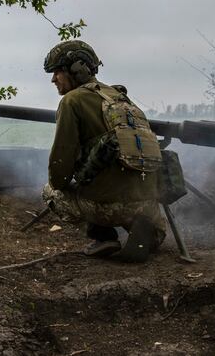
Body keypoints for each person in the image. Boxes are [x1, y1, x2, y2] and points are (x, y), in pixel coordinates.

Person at [41, 40, 166, 262]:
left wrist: (70, 180)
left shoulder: (71, 101)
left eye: (58, 72)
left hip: (107, 207)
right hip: (147, 202)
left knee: (51, 191)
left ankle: (103, 236)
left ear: (77, 69)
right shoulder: (122, 98)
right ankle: (148, 229)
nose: (53, 79)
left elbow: (60, 168)